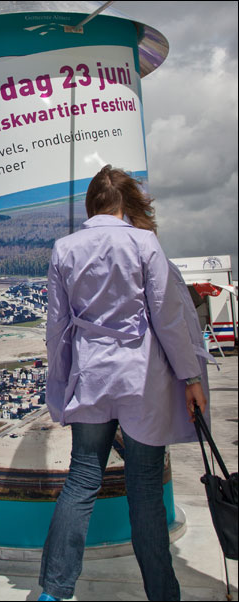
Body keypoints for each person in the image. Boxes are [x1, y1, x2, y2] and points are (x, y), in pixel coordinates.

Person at [38, 165, 210, 601]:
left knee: (81, 480)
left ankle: (54, 593)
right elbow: (168, 320)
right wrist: (191, 377)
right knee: (146, 488)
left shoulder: (64, 249)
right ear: (125, 204)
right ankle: (162, 594)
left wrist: (58, 384)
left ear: (91, 204)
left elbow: (56, 328)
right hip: (142, 381)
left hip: (91, 377)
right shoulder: (144, 243)